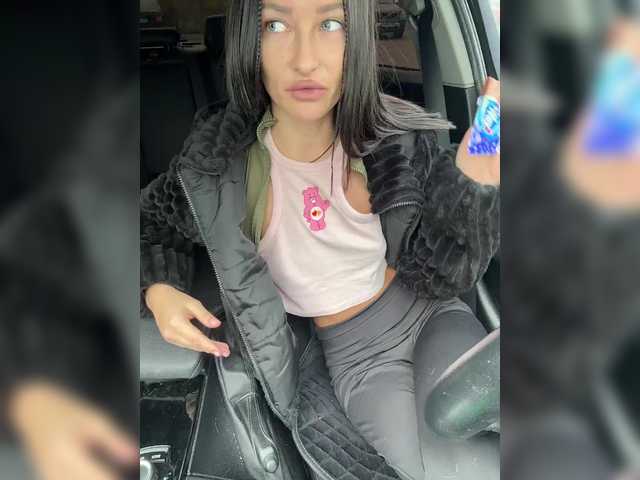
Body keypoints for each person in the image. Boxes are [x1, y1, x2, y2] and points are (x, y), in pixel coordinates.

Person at [141, 1, 500, 479]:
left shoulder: (396, 141)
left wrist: (472, 190)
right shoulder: (215, 171)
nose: (305, 58)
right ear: (249, 40)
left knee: (471, 439)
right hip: (356, 357)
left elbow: (442, 274)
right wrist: (158, 289)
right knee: (434, 467)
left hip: (432, 314)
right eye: (276, 25)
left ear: (357, 40)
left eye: (331, 24)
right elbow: (148, 222)